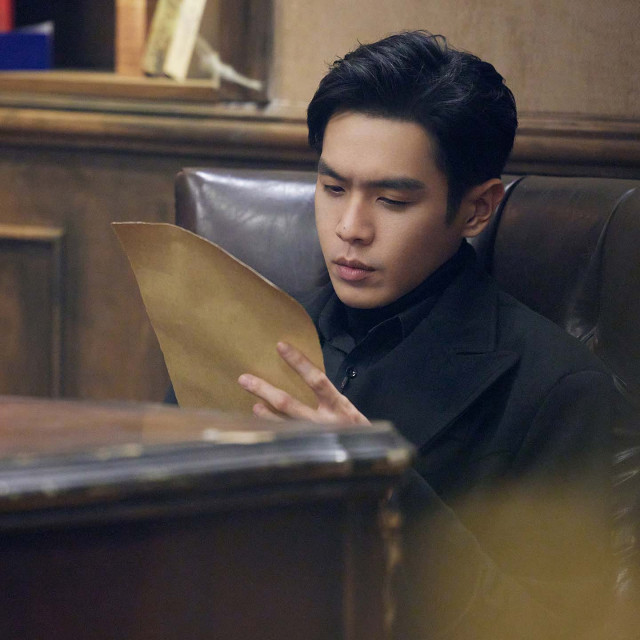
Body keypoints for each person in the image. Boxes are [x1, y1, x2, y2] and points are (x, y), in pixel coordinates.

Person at [193, 31, 615, 638]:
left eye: (391, 200)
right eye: (332, 189)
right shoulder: (245, 332)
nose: (350, 227)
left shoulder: (557, 390)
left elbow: (557, 626)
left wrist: (384, 489)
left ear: (477, 209)